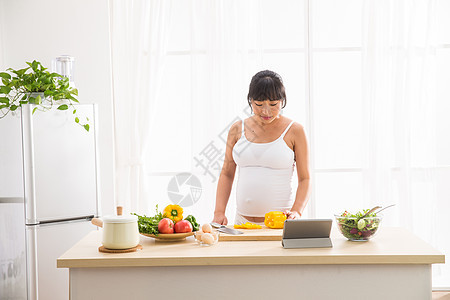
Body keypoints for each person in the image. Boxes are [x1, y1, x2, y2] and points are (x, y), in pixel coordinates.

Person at [213, 70, 311, 225]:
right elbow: (226, 173)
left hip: (282, 224)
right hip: (242, 222)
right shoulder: (237, 129)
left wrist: (297, 211)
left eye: (273, 105)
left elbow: (305, 178)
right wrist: (219, 212)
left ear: (282, 101)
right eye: (259, 105)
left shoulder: (295, 131)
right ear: (250, 101)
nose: (266, 111)